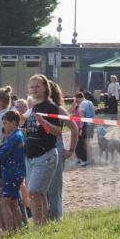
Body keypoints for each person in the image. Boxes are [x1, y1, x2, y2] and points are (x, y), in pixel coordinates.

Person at [22, 74, 63, 225]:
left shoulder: (51, 107)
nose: (34, 89)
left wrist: (44, 121)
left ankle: (41, 225)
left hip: (45, 155)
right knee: (37, 193)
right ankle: (41, 225)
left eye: (37, 86)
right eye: (32, 86)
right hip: (30, 156)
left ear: (45, 88)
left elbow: (57, 131)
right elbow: (29, 131)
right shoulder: (33, 108)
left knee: (33, 191)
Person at [45, 79, 78, 222]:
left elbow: (74, 128)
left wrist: (71, 150)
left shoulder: (58, 108)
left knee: (54, 188)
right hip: (40, 151)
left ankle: (56, 219)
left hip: (56, 149)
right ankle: (45, 218)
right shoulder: (36, 108)